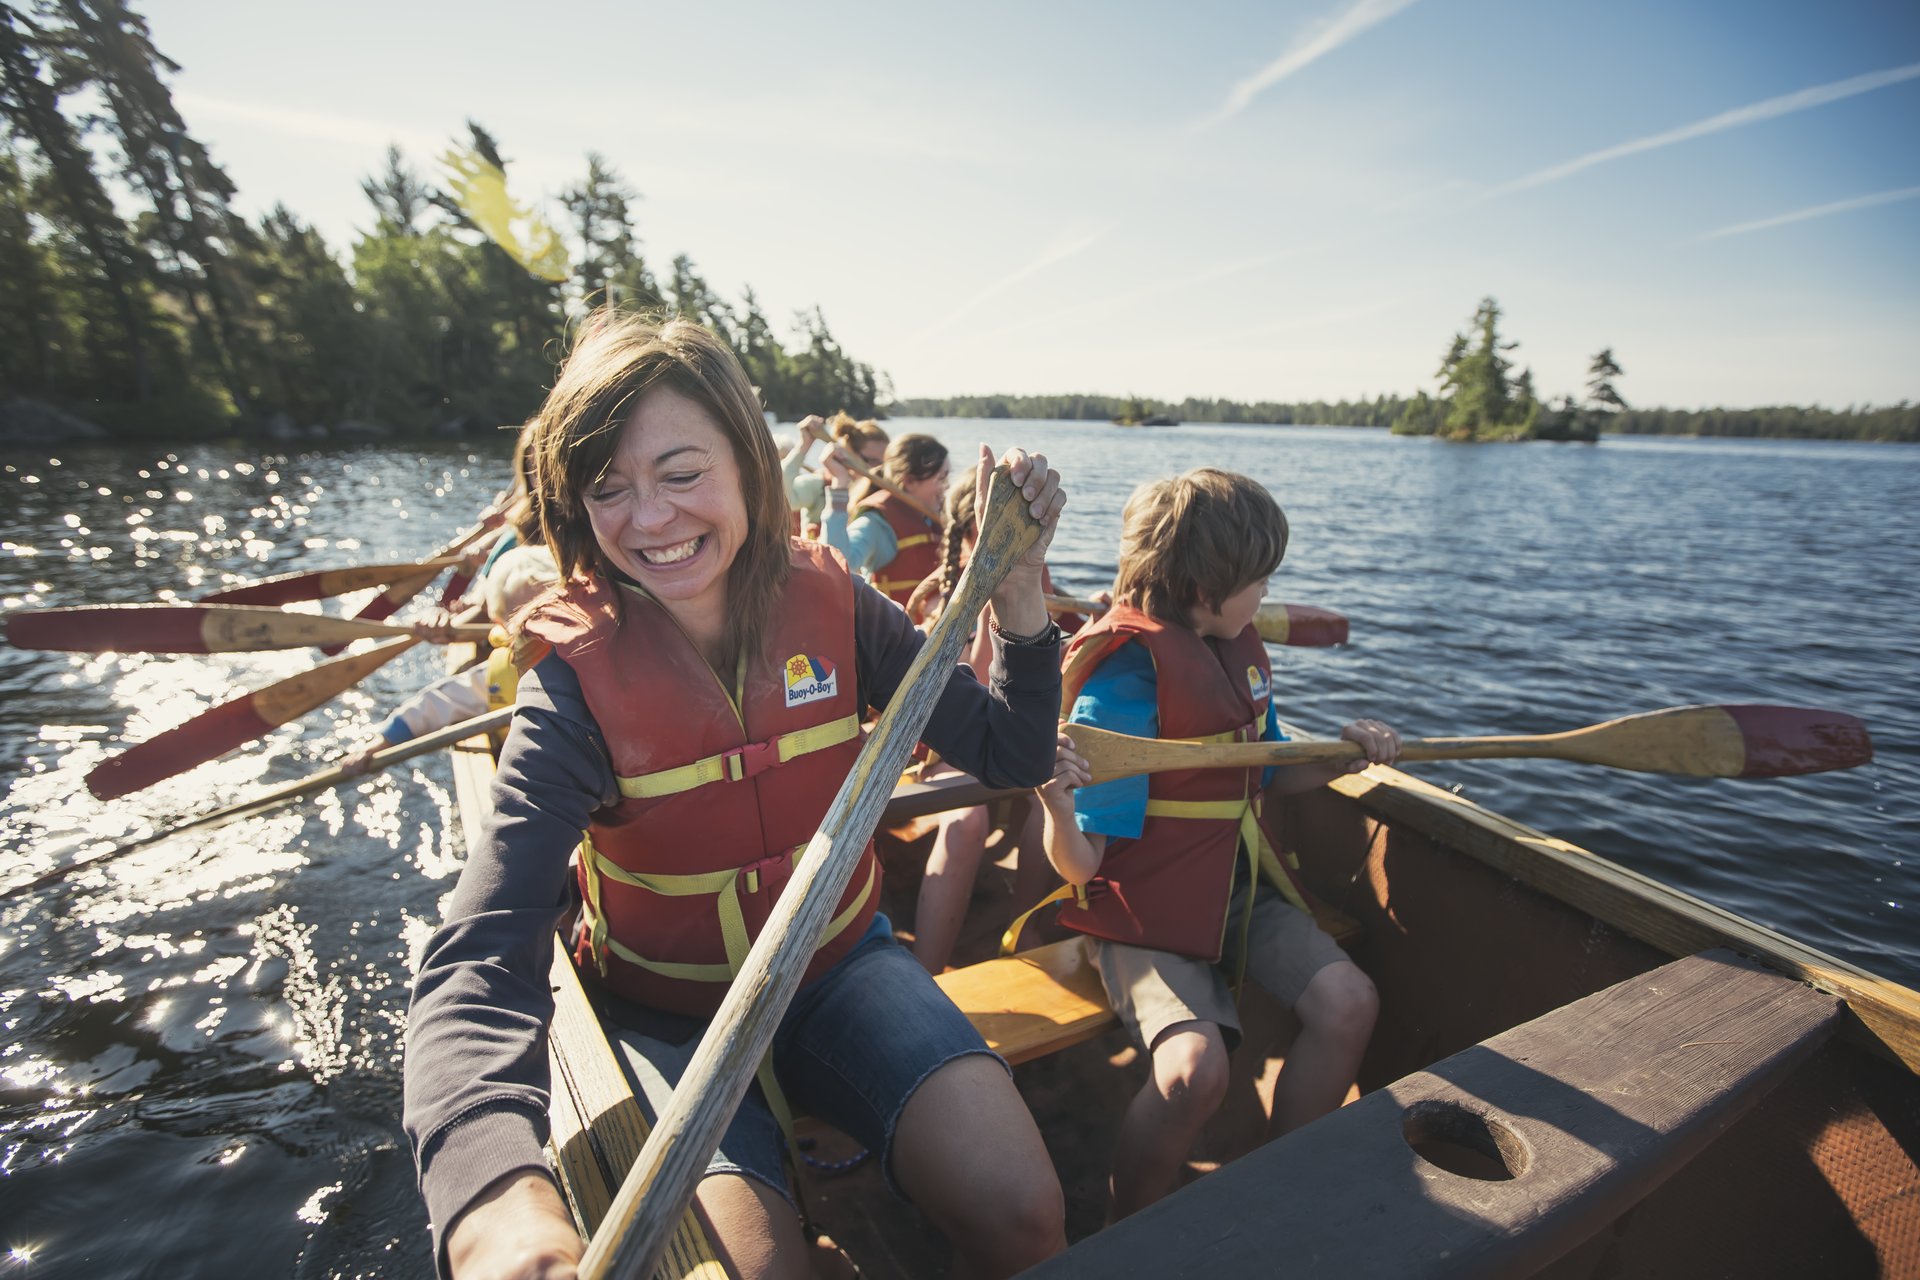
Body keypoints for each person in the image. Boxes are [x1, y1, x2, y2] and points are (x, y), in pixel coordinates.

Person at [403, 310, 1071, 1280]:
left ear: (753, 469)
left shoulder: (838, 602)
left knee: (1024, 1210)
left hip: (842, 964)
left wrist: (1018, 598)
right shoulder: (571, 682)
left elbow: (1009, 753)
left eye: (682, 473)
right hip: (668, 1014)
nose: (651, 517)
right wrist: (494, 1205)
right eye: (609, 488)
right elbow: (482, 954)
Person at [1033, 467, 1401, 1221]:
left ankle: (1276, 1187)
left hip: (1234, 890)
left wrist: (1340, 753)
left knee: (1349, 1002)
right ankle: (1125, 1230)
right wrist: (1056, 808)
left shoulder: (1230, 654)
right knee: (1193, 1073)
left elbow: (1266, 775)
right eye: (1259, 581)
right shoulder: (1123, 693)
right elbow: (1082, 866)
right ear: (1206, 593)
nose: (1267, 595)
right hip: (1142, 912)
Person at [337, 544, 559, 775]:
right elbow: (438, 703)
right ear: (505, 627)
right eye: (525, 628)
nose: (540, 634)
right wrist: (378, 746)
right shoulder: (504, 672)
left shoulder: (591, 658)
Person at [822, 433, 948, 611]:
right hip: (895, 635)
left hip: (934, 631)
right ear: (909, 481)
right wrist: (840, 483)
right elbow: (837, 564)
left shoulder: (934, 520)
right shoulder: (877, 523)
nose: (948, 486)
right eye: (942, 478)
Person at [780, 412, 886, 540]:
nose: (881, 469)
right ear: (850, 454)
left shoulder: (884, 493)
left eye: (886, 462)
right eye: (873, 461)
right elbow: (780, 496)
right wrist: (803, 446)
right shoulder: (820, 486)